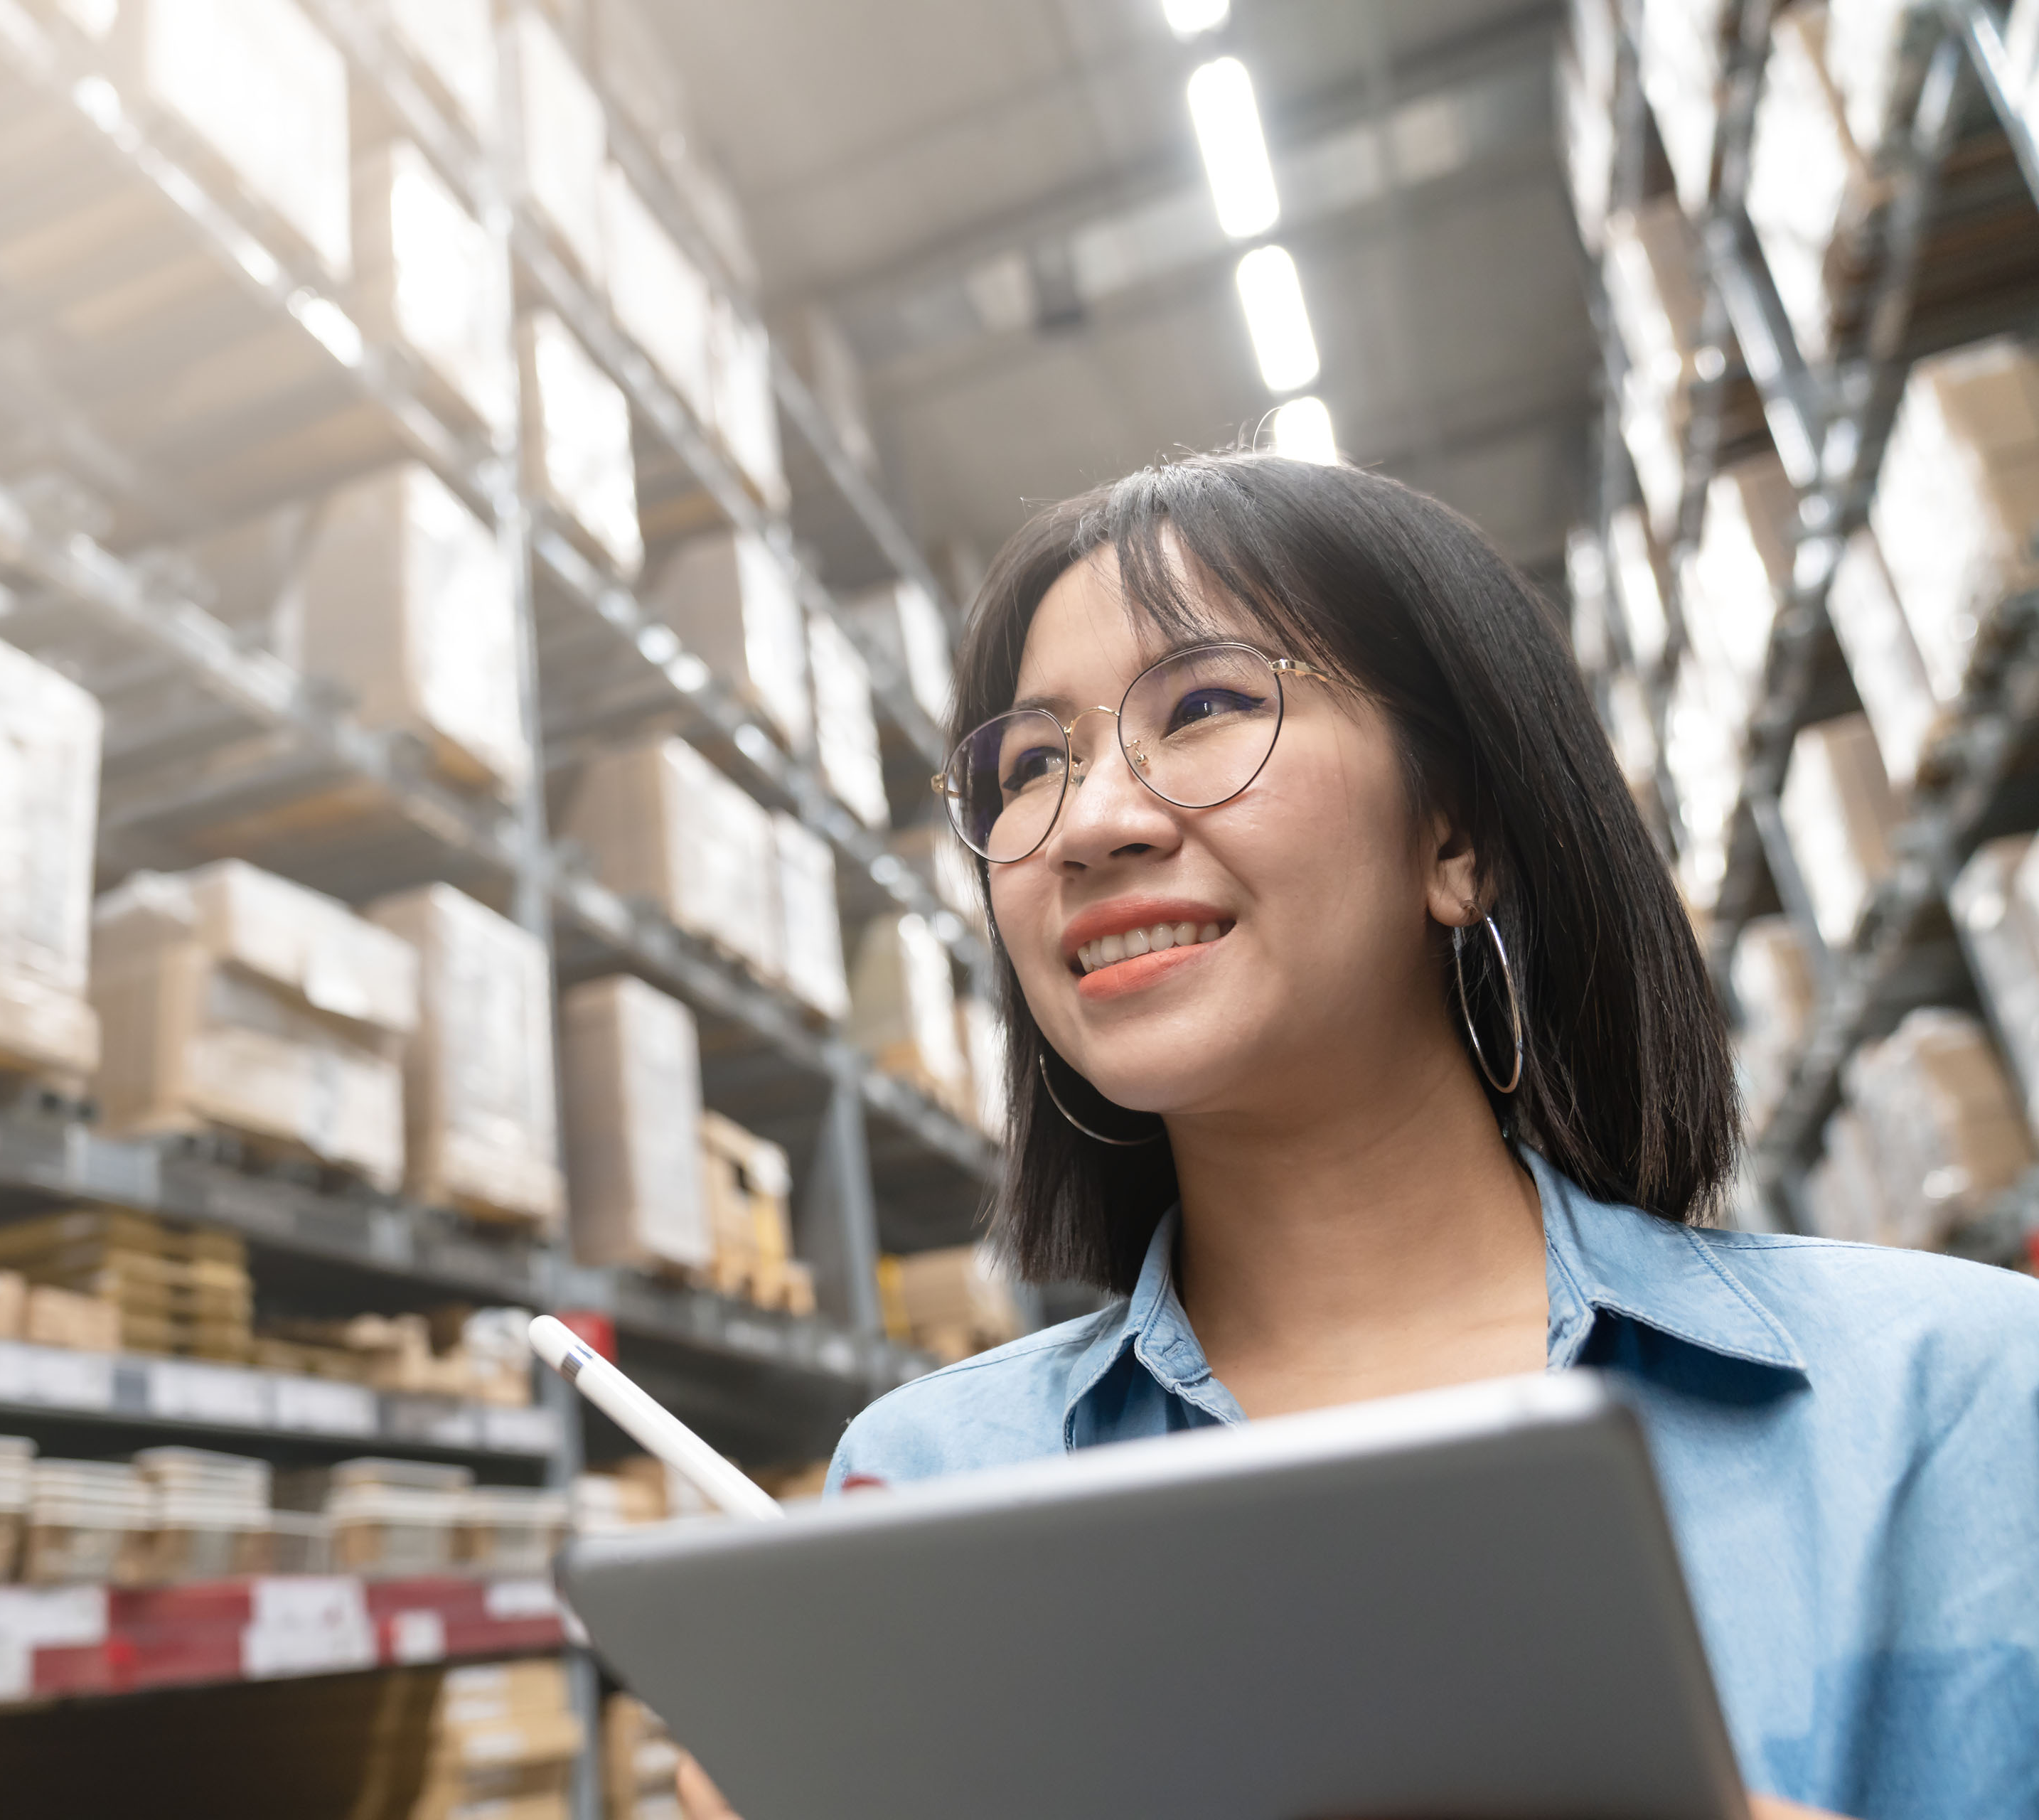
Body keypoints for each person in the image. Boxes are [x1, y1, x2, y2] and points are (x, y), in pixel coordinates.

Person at [676, 454, 2039, 1820]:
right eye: (1034, 763)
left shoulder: (1960, 1398)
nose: (1085, 824)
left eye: (1203, 705)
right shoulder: (926, 1491)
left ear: (1460, 838)